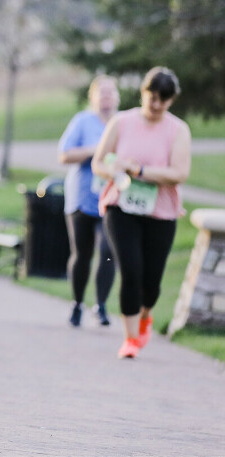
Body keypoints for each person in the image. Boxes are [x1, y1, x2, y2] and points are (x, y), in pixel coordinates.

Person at [92, 67, 191, 359]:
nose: (156, 104)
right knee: (131, 271)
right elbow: (98, 163)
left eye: (163, 99)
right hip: (121, 207)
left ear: (171, 101)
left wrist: (141, 170)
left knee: (151, 281)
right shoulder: (121, 122)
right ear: (143, 93)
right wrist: (115, 168)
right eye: (152, 97)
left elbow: (179, 173)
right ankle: (131, 339)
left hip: (161, 212)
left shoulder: (178, 130)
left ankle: (146, 313)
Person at [58, 75, 120, 328]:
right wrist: (97, 151)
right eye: (101, 92)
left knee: (108, 253)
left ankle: (101, 305)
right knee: (82, 254)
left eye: (110, 92)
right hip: (82, 199)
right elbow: (64, 154)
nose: (106, 97)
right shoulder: (82, 121)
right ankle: (76, 303)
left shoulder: (123, 122)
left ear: (117, 96)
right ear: (92, 97)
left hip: (113, 199)